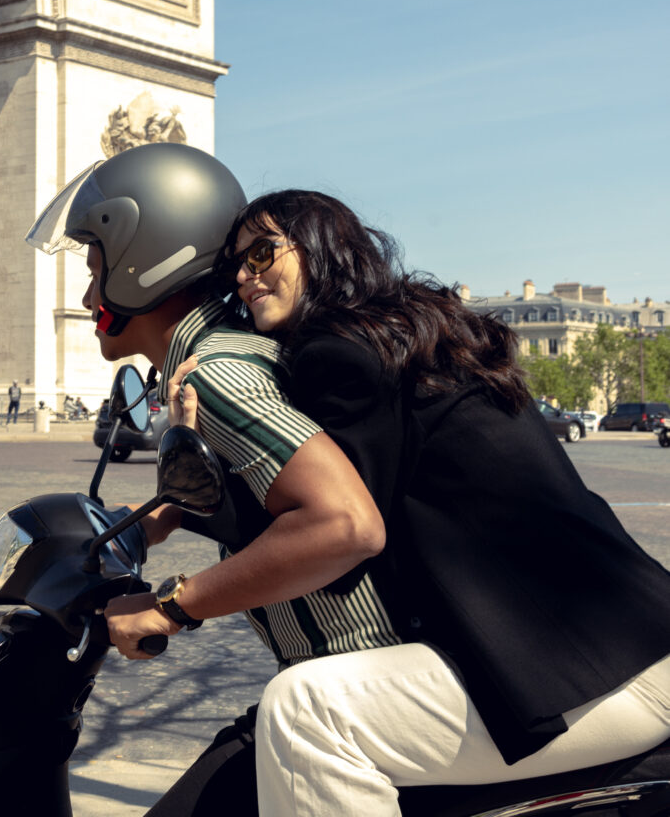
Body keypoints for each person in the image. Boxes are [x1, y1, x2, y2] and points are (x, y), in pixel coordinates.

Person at [165, 188, 670, 816]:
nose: (244, 277)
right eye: (234, 266)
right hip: (628, 640)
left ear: (319, 248)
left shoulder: (338, 356)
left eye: (263, 253)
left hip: (586, 672)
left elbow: (335, 527)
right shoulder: (411, 333)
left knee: (307, 709)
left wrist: (173, 601)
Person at [26, 145, 394, 813]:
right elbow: (259, 484)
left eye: (95, 267)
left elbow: (343, 522)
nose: (85, 297)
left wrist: (170, 606)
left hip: (348, 682)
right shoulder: (223, 357)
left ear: (145, 258)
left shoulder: (216, 370)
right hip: (336, 680)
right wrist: (163, 514)